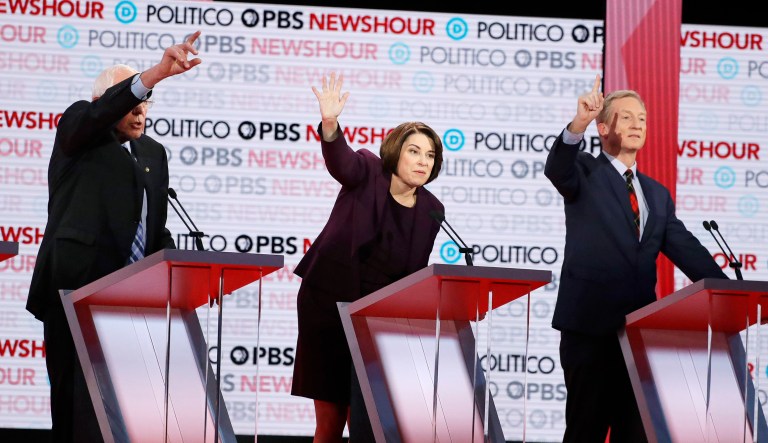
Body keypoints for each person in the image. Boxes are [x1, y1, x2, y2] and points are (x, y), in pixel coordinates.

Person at [26, 31, 203, 442]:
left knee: (125, 418)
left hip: (133, 304)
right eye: (133, 101)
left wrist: (180, 272)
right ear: (107, 103)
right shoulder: (79, 131)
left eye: (146, 104)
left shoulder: (153, 154)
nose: (142, 111)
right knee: (76, 416)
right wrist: (154, 74)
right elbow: (96, 116)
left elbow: (154, 227)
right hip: (75, 293)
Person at [544, 74, 728, 443]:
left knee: (637, 433)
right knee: (586, 431)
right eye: (626, 117)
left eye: (641, 119)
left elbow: (686, 249)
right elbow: (557, 167)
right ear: (603, 128)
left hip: (637, 335)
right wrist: (577, 123)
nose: (636, 124)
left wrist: (729, 293)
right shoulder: (584, 170)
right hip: (589, 330)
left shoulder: (657, 195)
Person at [291, 72, 445, 442]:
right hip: (329, 308)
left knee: (374, 422)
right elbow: (340, 161)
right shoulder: (368, 170)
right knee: (331, 422)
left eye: (430, 154)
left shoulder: (431, 210)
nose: (423, 160)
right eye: (414, 150)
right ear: (395, 151)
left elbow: (414, 276)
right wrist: (331, 125)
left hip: (380, 323)